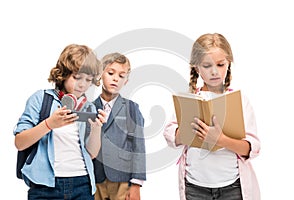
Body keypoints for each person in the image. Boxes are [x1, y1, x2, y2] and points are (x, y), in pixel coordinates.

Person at [163, 33, 261, 200]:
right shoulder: (190, 100)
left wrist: (220, 139)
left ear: (228, 63)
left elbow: (252, 148)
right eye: (207, 66)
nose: (214, 71)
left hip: (232, 187)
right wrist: (188, 132)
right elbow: (172, 137)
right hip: (195, 187)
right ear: (196, 67)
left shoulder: (240, 100)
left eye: (220, 64)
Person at [14, 44, 106, 199]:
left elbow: (91, 154)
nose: (82, 84)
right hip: (45, 186)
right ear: (63, 74)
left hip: (82, 183)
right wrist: (49, 124)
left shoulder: (88, 107)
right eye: (77, 77)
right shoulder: (40, 99)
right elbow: (20, 142)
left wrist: (96, 128)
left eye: (88, 79)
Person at [92, 52, 146, 200]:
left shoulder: (132, 108)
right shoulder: (89, 108)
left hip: (123, 179)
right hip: (95, 178)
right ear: (100, 74)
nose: (116, 78)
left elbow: (139, 146)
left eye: (121, 76)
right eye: (110, 73)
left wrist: (136, 184)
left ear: (126, 81)